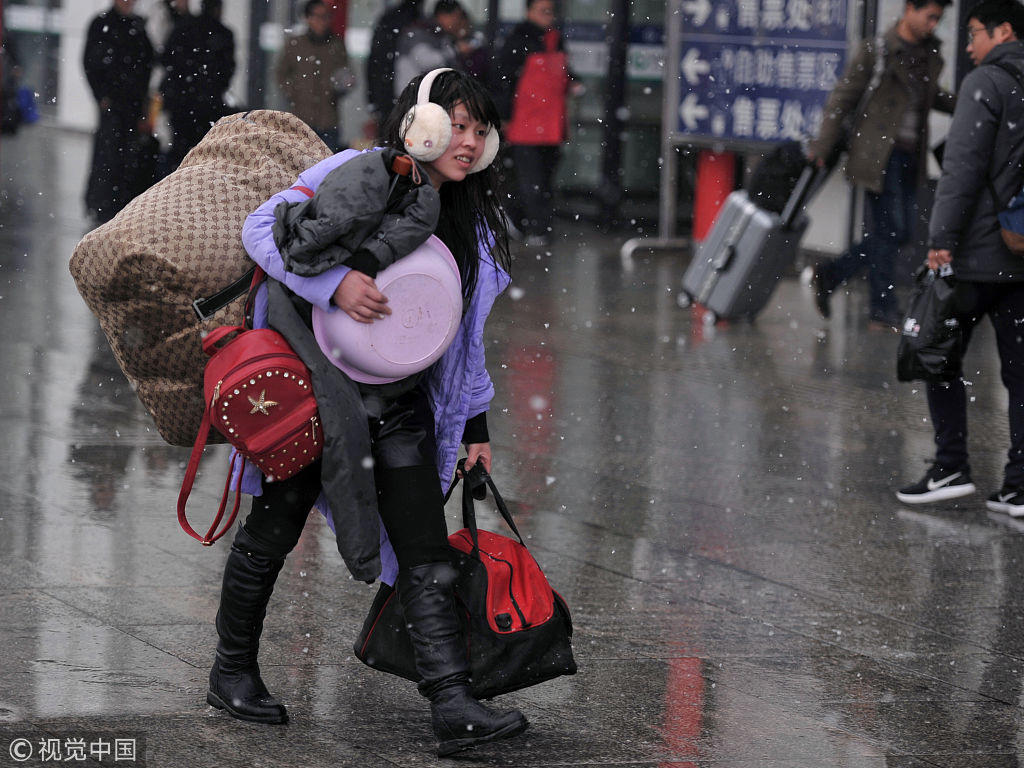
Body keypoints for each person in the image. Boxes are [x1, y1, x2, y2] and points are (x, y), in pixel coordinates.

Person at [204, 69, 529, 757]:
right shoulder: (358, 170)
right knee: (276, 523)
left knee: (424, 548)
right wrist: (334, 283)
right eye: (456, 124)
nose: (467, 142)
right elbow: (261, 229)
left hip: (401, 406)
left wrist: (476, 429)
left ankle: (452, 704)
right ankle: (230, 671)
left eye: (479, 130)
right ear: (422, 121)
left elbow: (463, 345)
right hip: (314, 393)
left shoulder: (473, 224)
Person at [896, 0, 1024, 511]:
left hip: (977, 253)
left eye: (974, 34)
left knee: (936, 351)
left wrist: (940, 238)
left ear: (1004, 31)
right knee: (1019, 372)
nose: (969, 46)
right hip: (1020, 250)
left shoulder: (986, 84)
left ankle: (951, 466)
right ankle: (1018, 484)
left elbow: (963, 167)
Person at [808, 0, 956, 330]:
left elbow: (933, 97)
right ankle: (881, 307)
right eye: (929, 15)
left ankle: (832, 274)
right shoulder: (877, 51)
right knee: (891, 232)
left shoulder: (928, 54)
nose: (933, 24)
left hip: (909, 156)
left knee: (894, 233)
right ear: (909, 9)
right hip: (878, 156)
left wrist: (971, 104)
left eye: (938, 18)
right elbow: (842, 98)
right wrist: (822, 145)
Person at [494, 0, 576, 248]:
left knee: (543, 181)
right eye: (543, 11)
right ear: (529, 12)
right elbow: (503, 82)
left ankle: (528, 224)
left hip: (551, 125)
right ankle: (533, 227)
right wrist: (505, 117)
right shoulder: (518, 41)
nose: (548, 16)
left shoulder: (555, 39)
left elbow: (566, 75)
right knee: (531, 181)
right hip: (526, 124)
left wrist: (573, 82)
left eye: (551, 11)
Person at [83, 0, 156, 223]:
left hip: (130, 104)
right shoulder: (104, 24)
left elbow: (146, 63)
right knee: (109, 153)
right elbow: (91, 62)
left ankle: (116, 203)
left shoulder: (136, 26)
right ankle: (103, 204)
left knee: (124, 154)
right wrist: (102, 95)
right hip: (115, 104)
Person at [160, 0, 235, 171]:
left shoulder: (184, 27)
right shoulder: (222, 34)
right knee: (203, 153)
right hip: (207, 104)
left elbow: (166, 59)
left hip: (181, 102)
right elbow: (227, 71)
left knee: (179, 150)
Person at [276, 0, 353, 153]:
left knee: (326, 165)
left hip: (328, 120)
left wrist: (339, 89)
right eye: (317, 16)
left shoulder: (336, 45)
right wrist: (293, 92)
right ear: (308, 18)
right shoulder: (295, 44)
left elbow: (346, 75)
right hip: (300, 119)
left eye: (326, 16)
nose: (322, 21)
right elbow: (280, 74)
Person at [365, 0, 424, 136]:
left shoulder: (389, 22)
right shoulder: (413, 22)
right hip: (403, 95)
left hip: (387, 93)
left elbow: (374, 63)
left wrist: (373, 99)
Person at [392, 0, 467, 96]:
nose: (457, 22)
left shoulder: (440, 34)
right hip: (413, 96)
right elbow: (425, 61)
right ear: (442, 15)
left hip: (425, 95)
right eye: (455, 17)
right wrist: (456, 50)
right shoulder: (419, 33)